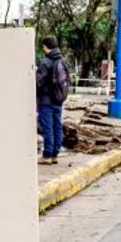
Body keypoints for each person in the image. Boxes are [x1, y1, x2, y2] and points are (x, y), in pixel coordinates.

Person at [35, 37, 70, 165]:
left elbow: (38, 82)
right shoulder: (63, 61)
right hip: (59, 99)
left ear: (45, 46)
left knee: (47, 128)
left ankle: (47, 156)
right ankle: (55, 154)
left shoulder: (45, 62)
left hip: (46, 100)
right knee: (57, 126)